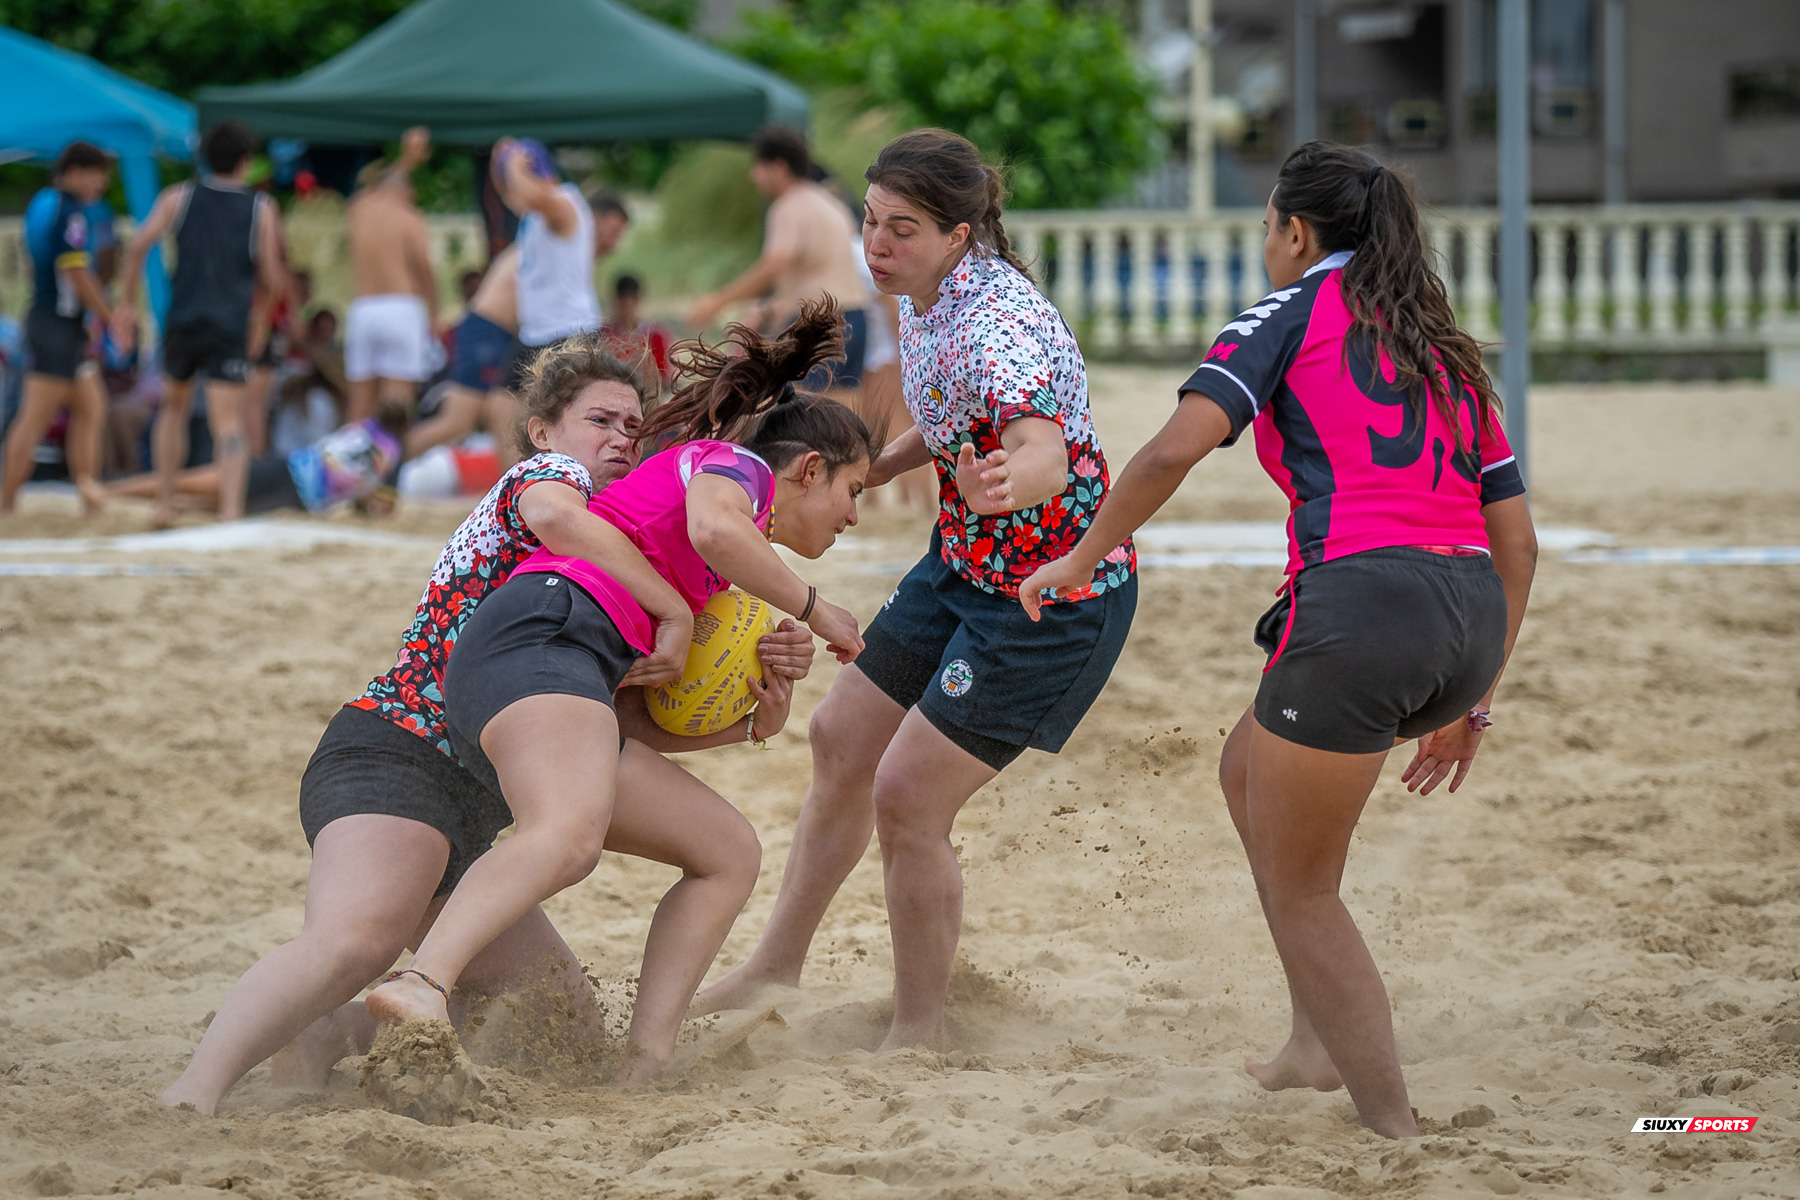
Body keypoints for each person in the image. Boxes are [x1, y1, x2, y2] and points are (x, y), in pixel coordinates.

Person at [156, 336, 833, 1113]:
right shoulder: (549, 480)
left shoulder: (623, 557)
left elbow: (604, 725)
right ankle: (193, 1093)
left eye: (632, 428)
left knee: (559, 1026)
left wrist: (748, 718)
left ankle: (336, 1033)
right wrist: (677, 608)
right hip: (399, 750)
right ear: (543, 431)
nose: (621, 439)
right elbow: (551, 517)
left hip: (485, 789)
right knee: (356, 940)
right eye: (601, 420)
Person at [1018, 142, 1539, 1138]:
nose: (1266, 243)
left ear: (1295, 234)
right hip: (1471, 616)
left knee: (1306, 894)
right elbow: (1518, 541)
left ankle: (1393, 1125)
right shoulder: (1444, 343)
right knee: (1244, 770)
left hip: (1362, 613)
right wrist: (1473, 700)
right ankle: (1312, 1038)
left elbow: (1175, 446)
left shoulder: (1288, 311)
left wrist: (1081, 558)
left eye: (1267, 226)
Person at [692, 130, 1138, 1052]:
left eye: (902, 228)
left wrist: (1010, 482)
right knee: (840, 735)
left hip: (1051, 597)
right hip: (962, 563)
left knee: (906, 797)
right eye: (869, 220)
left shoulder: (993, 322)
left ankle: (919, 1031)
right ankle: (775, 963)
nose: (876, 244)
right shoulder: (922, 298)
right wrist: (859, 473)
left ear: (959, 237)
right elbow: (945, 423)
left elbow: (1043, 447)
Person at [364, 304, 873, 1081]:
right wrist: (814, 605)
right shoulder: (737, 472)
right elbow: (717, 533)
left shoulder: (705, 564)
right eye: (854, 490)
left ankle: (647, 1059)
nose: (856, 516)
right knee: (568, 837)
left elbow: (632, 718)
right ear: (809, 470)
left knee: (726, 851)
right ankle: (420, 982)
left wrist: (750, 724)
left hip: (560, 665)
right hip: (538, 632)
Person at [114, 120, 288, 527]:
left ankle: (165, 503)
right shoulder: (260, 208)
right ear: (246, 162)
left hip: (182, 317)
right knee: (228, 421)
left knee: (172, 410)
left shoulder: (179, 197)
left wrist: (125, 304)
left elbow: (138, 246)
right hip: (228, 323)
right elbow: (273, 277)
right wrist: (260, 324)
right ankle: (230, 511)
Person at [686, 127, 867, 396]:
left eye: (758, 166)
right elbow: (811, 275)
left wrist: (718, 302)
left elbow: (773, 267)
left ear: (779, 167)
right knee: (841, 421)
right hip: (854, 318)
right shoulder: (829, 204)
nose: (753, 176)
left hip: (818, 325)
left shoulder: (789, 207)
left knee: (801, 421)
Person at [1, 141, 115, 517]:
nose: (102, 184)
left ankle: (89, 492)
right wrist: (109, 316)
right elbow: (77, 273)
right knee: (34, 418)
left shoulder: (42, 205)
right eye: (98, 175)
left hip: (55, 322)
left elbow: (38, 267)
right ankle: (5, 502)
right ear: (76, 172)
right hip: (57, 325)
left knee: (92, 408)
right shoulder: (71, 213)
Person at [109, 402, 406, 518]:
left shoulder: (363, 428)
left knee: (191, 487)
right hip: (300, 499)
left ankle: (117, 493)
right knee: (200, 495)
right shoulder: (392, 454)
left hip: (291, 470)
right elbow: (381, 505)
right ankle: (113, 492)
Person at [495, 139, 624, 384]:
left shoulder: (564, 201)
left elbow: (531, 195)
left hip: (569, 330)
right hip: (536, 332)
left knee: (567, 412)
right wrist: (498, 160)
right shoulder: (533, 213)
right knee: (501, 403)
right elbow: (511, 195)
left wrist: (513, 166)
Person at [342, 127, 440, 424]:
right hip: (401, 308)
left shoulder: (359, 208)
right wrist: (434, 314)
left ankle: (348, 469)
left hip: (363, 310)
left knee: (359, 406)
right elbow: (423, 270)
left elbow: (386, 183)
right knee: (396, 406)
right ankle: (392, 470)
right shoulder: (410, 218)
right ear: (405, 190)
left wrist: (406, 158)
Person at [404, 245, 522, 467]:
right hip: (489, 331)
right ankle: (387, 467)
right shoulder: (550, 236)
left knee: (503, 412)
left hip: (494, 332)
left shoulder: (537, 240)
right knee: (457, 422)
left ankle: (513, 488)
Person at [602, 274, 673, 397]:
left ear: (638, 300)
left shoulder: (655, 336)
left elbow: (665, 378)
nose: (627, 307)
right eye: (623, 301)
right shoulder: (604, 334)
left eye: (631, 300)